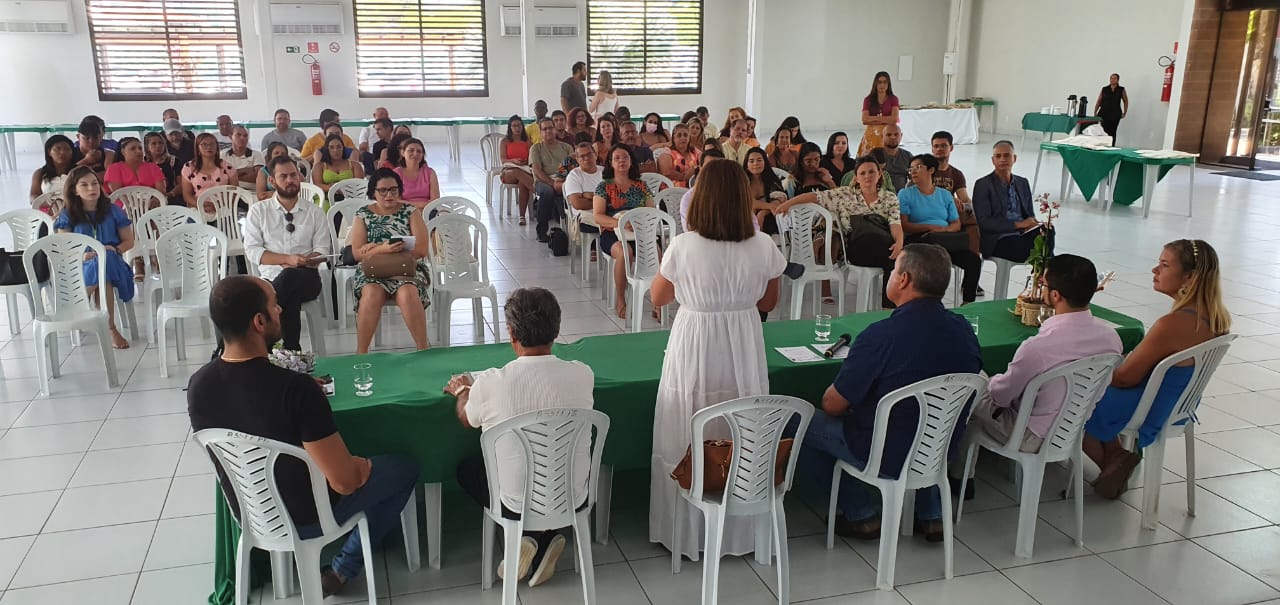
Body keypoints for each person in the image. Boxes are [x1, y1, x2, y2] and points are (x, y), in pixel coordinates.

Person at [189, 275, 420, 599]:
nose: (281, 310)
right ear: (259, 321)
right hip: (309, 518)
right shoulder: (294, 390)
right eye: (274, 305)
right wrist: (361, 467)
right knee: (404, 467)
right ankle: (343, 567)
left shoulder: (198, 386)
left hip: (250, 514)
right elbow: (345, 482)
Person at [648, 158, 786, 560]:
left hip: (695, 340)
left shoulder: (684, 246)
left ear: (700, 199)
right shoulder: (763, 245)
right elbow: (769, 302)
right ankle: (739, 530)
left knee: (688, 420)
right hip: (743, 341)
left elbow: (658, 297)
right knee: (742, 419)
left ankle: (686, 531)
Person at [797, 243, 981, 541]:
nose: (892, 276)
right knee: (928, 420)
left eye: (894, 270)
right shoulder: (964, 330)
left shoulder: (881, 335)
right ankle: (931, 514)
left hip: (884, 452)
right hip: (940, 450)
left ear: (904, 280)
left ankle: (861, 513)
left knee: (798, 421)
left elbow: (832, 404)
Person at [448, 287, 594, 587]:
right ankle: (544, 537)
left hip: (515, 504)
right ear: (557, 330)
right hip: (573, 497)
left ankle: (528, 536)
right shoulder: (583, 374)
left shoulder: (490, 382)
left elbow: (466, 419)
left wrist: (463, 391)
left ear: (511, 333)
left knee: (467, 470)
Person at [1083, 239, 1231, 498]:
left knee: (1073, 399)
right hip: (1180, 403)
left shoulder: (1171, 324)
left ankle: (1112, 466)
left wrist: (1094, 368)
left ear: (1189, 277)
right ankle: (1117, 457)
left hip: (1149, 405)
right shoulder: (1217, 319)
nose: (1155, 270)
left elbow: (1125, 379)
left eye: (1164, 265)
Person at [972, 254, 1123, 454]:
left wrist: (988, 380)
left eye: (1043, 285)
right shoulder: (1111, 338)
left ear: (1055, 295)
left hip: (1029, 435)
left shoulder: (1038, 347)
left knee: (972, 384)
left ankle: (959, 468)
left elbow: (1000, 397)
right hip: (1072, 430)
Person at [776, 156, 904, 308]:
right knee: (893, 259)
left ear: (879, 174)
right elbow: (814, 197)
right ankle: (889, 308)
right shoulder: (844, 194)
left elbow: (895, 224)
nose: (867, 176)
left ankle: (888, 306)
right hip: (856, 246)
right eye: (862, 173)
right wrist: (787, 204)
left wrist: (899, 243)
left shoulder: (889, 198)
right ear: (856, 177)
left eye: (871, 172)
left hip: (881, 245)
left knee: (896, 256)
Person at [242, 156, 331, 352]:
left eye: (293, 175)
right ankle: (291, 351)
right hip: (269, 278)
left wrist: (303, 261)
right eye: (283, 176)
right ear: (272, 181)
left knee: (289, 277)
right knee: (290, 293)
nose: (290, 180)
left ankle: (247, 347)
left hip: (307, 277)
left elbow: (323, 251)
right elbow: (253, 251)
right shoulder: (259, 211)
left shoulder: (314, 212)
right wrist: (286, 259)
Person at [350, 169, 431, 354]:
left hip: (405, 269)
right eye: (383, 190)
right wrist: (383, 249)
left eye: (394, 190)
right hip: (373, 271)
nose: (389, 195)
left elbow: (422, 249)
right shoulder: (363, 214)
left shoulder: (410, 212)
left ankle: (423, 349)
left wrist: (380, 248)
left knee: (408, 292)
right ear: (373, 192)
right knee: (371, 293)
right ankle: (361, 352)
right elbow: (357, 253)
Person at [54, 167, 135, 349]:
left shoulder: (113, 210)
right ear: (75, 190)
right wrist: (82, 255)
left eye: (94, 184)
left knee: (105, 259)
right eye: (84, 185)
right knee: (102, 271)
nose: (91, 188)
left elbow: (129, 241)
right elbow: (65, 248)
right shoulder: (68, 215)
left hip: (114, 262)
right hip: (81, 266)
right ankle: (110, 329)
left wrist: (115, 249)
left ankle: (77, 302)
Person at [897, 154, 981, 303]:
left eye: (918, 167)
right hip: (920, 239)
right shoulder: (905, 194)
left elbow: (956, 224)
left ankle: (968, 303)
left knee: (973, 260)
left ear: (931, 170)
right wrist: (929, 227)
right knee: (929, 256)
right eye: (911, 169)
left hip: (944, 239)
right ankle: (926, 303)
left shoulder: (945, 195)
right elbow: (904, 225)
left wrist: (943, 230)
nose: (913, 172)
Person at [593, 145, 655, 319]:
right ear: (611, 163)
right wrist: (621, 223)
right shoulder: (604, 187)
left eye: (625, 157)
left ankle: (657, 301)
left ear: (631, 161)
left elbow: (651, 211)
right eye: (617, 158)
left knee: (656, 252)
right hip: (612, 232)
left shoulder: (641, 186)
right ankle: (621, 298)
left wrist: (638, 223)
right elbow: (598, 216)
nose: (622, 161)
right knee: (624, 251)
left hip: (639, 231)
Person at [971, 140, 1054, 263]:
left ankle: (1047, 268)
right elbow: (984, 222)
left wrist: (1032, 224)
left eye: (1006, 155)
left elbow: (1029, 215)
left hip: (1022, 233)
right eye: (998, 156)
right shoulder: (983, 184)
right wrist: (1018, 225)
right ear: (993, 160)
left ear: (1014, 158)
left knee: (1048, 230)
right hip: (998, 239)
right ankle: (1047, 266)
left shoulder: (1022, 182)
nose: (1002, 159)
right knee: (1037, 251)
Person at [931, 130, 981, 276]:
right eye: (936, 146)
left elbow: (964, 198)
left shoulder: (956, 174)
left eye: (943, 146)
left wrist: (971, 208)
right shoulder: (927, 170)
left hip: (951, 213)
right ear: (932, 149)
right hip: (931, 211)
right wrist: (948, 197)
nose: (939, 149)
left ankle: (972, 271)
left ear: (951, 148)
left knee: (974, 224)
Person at [529, 118, 573, 242]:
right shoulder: (536, 148)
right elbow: (537, 171)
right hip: (543, 181)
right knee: (548, 192)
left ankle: (575, 229)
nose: (548, 131)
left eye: (550, 128)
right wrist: (552, 183)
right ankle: (542, 231)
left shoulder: (566, 147)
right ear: (540, 132)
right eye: (545, 129)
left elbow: (572, 166)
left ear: (555, 129)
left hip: (564, 179)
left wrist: (560, 181)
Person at [181, 133, 236, 210]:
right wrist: (202, 206)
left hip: (223, 208)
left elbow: (235, 191)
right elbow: (187, 195)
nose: (209, 147)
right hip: (198, 207)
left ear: (217, 147)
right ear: (197, 148)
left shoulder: (227, 167)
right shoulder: (189, 167)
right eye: (204, 144)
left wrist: (220, 206)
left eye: (212, 144)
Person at [500, 115, 535, 225]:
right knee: (516, 172)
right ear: (510, 128)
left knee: (522, 183)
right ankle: (537, 190)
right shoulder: (505, 141)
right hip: (509, 171)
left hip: (524, 169)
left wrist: (525, 161)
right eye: (514, 126)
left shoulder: (527, 141)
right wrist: (514, 161)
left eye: (519, 125)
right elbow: (503, 159)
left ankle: (522, 216)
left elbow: (532, 157)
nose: (517, 128)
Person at [744, 147, 787, 234]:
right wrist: (768, 206)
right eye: (751, 161)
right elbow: (746, 202)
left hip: (769, 218)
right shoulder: (742, 181)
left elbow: (778, 202)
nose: (755, 163)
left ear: (765, 162)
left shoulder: (772, 180)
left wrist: (763, 213)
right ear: (747, 165)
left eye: (759, 160)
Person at [858, 71, 901, 156]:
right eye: (880, 82)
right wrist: (886, 119)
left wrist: (873, 118)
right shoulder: (868, 99)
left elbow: (894, 119)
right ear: (875, 84)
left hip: (887, 134)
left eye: (885, 82)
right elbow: (864, 120)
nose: (882, 85)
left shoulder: (893, 99)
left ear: (888, 84)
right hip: (871, 136)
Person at [30, 134, 80, 202]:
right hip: (48, 207)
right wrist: (44, 204)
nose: (62, 152)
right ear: (49, 152)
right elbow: (34, 195)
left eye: (67, 149)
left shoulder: (79, 171)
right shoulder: (40, 173)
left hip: (73, 206)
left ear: (72, 153)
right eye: (57, 149)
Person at [393, 138, 439, 209]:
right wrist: (420, 205)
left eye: (419, 151)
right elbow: (396, 201)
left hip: (427, 211)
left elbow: (435, 200)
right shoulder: (396, 173)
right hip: (405, 210)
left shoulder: (430, 173)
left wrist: (410, 204)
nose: (415, 154)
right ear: (403, 153)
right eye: (411, 150)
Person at [144, 132, 184, 207]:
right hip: (149, 199)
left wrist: (168, 195)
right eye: (154, 144)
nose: (158, 146)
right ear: (147, 147)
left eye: (161, 143)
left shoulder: (174, 161)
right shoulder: (143, 163)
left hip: (171, 197)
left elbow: (181, 184)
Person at [657, 123, 701, 187]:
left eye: (685, 135)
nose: (682, 138)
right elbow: (667, 173)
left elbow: (705, 161)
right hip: (672, 188)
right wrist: (685, 176)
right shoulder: (667, 153)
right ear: (673, 138)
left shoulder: (694, 151)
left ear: (689, 138)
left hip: (694, 186)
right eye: (679, 135)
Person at [1094, 73, 1129, 146]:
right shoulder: (1104, 89)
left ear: (1118, 80)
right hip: (1104, 112)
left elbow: (1125, 101)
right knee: (1104, 130)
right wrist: (1095, 111)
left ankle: (1112, 146)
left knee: (1113, 131)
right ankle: (1103, 145)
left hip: (1115, 113)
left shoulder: (1121, 89)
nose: (1112, 80)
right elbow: (1099, 100)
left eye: (1114, 78)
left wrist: (1125, 112)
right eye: (1111, 78)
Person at [875, 124, 911, 191]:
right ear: (882, 136)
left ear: (901, 136)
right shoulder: (874, 154)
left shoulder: (908, 156)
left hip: (901, 195)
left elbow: (915, 178)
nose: (893, 137)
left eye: (896, 134)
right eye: (889, 135)